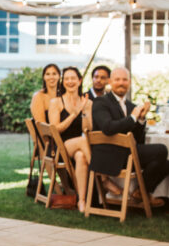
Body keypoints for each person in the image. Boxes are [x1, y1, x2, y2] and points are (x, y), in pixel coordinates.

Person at [91, 66, 169, 207]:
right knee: (162, 149)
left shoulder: (130, 105)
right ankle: (143, 193)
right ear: (110, 81)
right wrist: (133, 117)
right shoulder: (100, 102)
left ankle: (142, 192)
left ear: (130, 82)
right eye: (117, 79)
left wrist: (140, 119)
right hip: (110, 156)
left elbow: (137, 140)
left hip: (128, 154)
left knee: (166, 163)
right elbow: (108, 128)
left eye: (125, 80)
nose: (121, 83)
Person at [48, 65, 92, 212]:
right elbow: (55, 129)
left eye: (73, 78)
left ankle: (81, 201)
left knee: (81, 156)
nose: (70, 81)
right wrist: (74, 113)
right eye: (66, 78)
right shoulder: (56, 102)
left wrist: (84, 111)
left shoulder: (87, 102)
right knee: (83, 141)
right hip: (60, 146)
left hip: (79, 146)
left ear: (79, 81)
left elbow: (88, 129)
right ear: (63, 82)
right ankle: (101, 176)